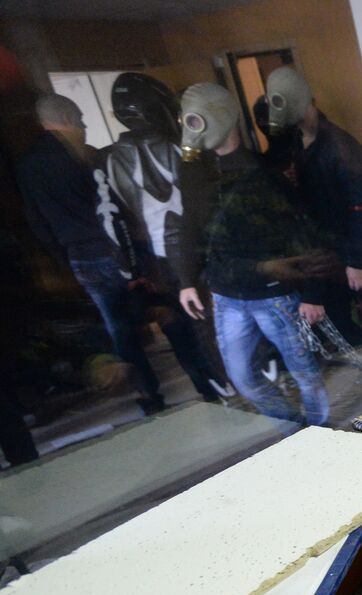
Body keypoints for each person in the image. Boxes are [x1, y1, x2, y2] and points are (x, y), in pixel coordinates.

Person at [174, 82, 335, 426]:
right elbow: (190, 225)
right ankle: (293, 429)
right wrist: (186, 279)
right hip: (227, 296)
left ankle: (320, 433)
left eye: (197, 119)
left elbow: (303, 234)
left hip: (273, 296)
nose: (193, 128)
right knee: (244, 380)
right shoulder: (195, 173)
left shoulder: (264, 176)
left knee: (305, 373)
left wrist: (313, 293)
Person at [17, 93, 167, 415]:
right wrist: (136, 255)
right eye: (81, 121)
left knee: (116, 327)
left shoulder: (27, 165)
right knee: (157, 308)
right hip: (112, 249)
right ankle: (200, 377)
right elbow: (113, 208)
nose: (84, 127)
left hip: (79, 257)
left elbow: (37, 221)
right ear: (68, 119)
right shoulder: (83, 156)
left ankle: (147, 393)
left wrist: (64, 259)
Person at [104, 72, 226, 402]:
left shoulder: (110, 159)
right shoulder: (179, 149)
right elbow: (202, 202)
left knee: (181, 328)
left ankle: (210, 389)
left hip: (154, 261)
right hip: (193, 250)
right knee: (210, 322)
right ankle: (228, 382)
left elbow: (117, 218)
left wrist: (132, 268)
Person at [263, 66, 362, 341]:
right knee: (339, 321)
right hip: (331, 251)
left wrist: (357, 260)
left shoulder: (339, 145)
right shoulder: (300, 143)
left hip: (357, 251)